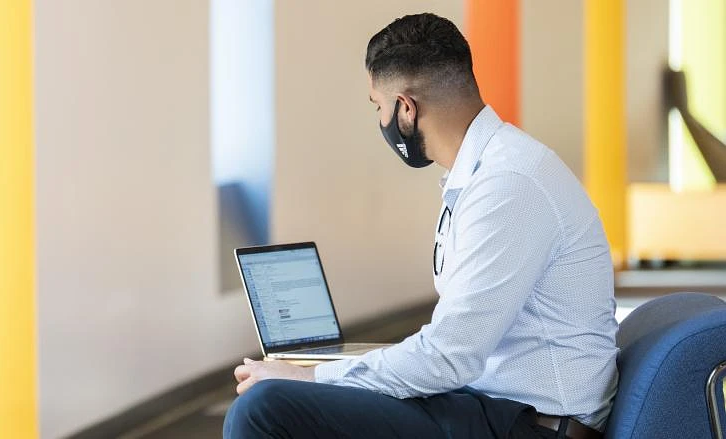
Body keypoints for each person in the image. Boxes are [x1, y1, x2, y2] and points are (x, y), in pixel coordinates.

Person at [224, 13, 618, 439]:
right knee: (312, 394)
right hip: (493, 405)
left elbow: (450, 358)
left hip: (533, 425)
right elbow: (454, 346)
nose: (381, 120)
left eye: (379, 106)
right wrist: (332, 371)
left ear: (406, 108)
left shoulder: (508, 184)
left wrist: (311, 378)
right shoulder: (489, 171)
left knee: (265, 408)